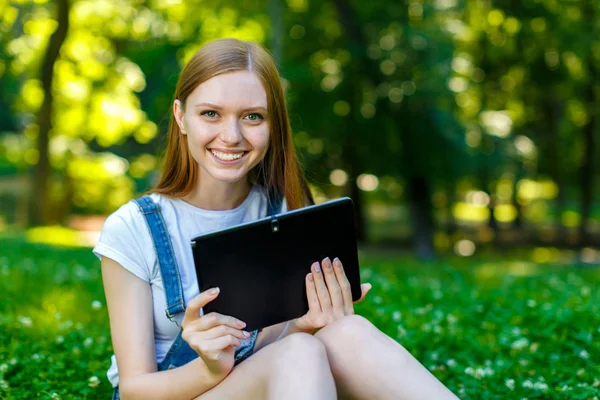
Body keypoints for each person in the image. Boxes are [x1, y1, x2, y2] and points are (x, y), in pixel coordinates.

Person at [94, 38, 458, 400]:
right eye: (211, 114)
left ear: (273, 125)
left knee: (347, 332)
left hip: (263, 382)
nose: (232, 136)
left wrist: (303, 324)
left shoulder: (282, 213)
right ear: (180, 116)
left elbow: (270, 353)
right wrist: (208, 368)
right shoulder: (134, 228)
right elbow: (134, 389)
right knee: (298, 351)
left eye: (253, 116)